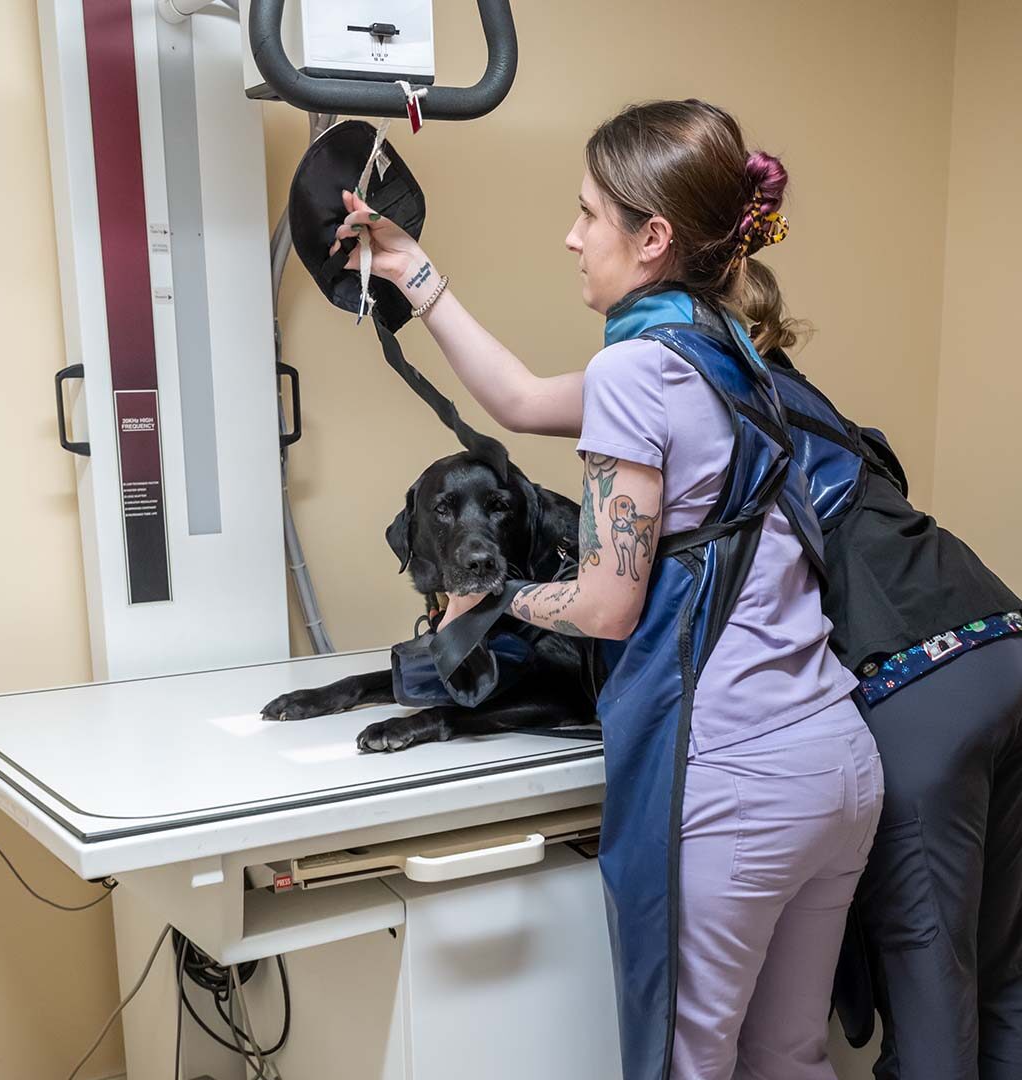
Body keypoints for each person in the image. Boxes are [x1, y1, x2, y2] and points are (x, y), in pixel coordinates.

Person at [331, 99, 882, 1080]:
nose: (573, 237)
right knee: (791, 1058)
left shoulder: (640, 368)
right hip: (835, 763)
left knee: (686, 1062)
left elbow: (604, 607)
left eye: (590, 213)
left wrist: (496, 599)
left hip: (735, 778)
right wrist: (412, 270)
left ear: (653, 237)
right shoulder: (726, 354)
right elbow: (518, 401)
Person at [766, 349, 1022, 1080]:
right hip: (1002, 634)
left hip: (917, 677)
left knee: (932, 981)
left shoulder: (712, 408)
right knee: (1002, 969)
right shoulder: (821, 412)